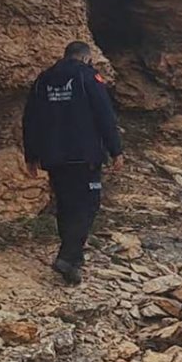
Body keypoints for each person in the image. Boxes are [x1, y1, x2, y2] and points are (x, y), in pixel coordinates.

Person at [23, 41, 123, 286]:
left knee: (66, 205)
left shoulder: (44, 79)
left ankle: (72, 262)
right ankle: (68, 257)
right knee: (87, 205)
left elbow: (30, 118)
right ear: (86, 58)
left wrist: (31, 155)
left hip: (54, 156)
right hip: (84, 155)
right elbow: (104, 114)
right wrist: (116, 150)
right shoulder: (88, 77)